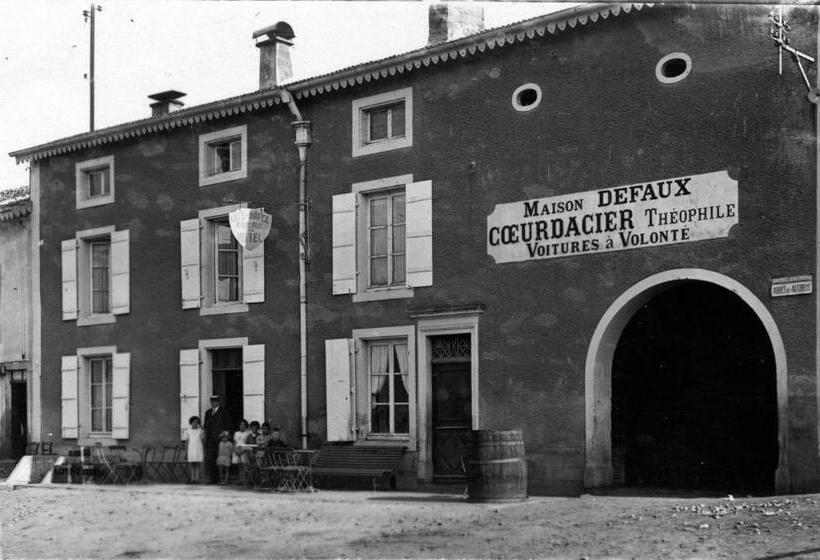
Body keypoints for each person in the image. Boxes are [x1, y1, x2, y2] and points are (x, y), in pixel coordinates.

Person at [203, 395, 231, 484]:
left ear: (218, 402)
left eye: (215, 401)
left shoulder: (223, 412)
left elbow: (227, 424)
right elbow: (206, 425)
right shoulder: (208, 412)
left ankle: (221, 479)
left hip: (221, 440)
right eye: (212, 401)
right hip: (210, 440)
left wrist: (225, 434)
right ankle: (212, 479)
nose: (213, 403)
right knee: (211, 459)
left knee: (221, 460)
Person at [182, 416, 205, 484]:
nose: (195, 424)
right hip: (191, 449)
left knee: (197, 464)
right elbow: (186, 442)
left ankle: (197, 479)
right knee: (192, 464)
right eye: (194, 422)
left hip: (198, 448)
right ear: (191, 423)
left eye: (197, 422)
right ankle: (192, 478)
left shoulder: (200, 431)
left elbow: (203, 440)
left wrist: (203, 450)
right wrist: (185, 452)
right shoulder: (188, 431)